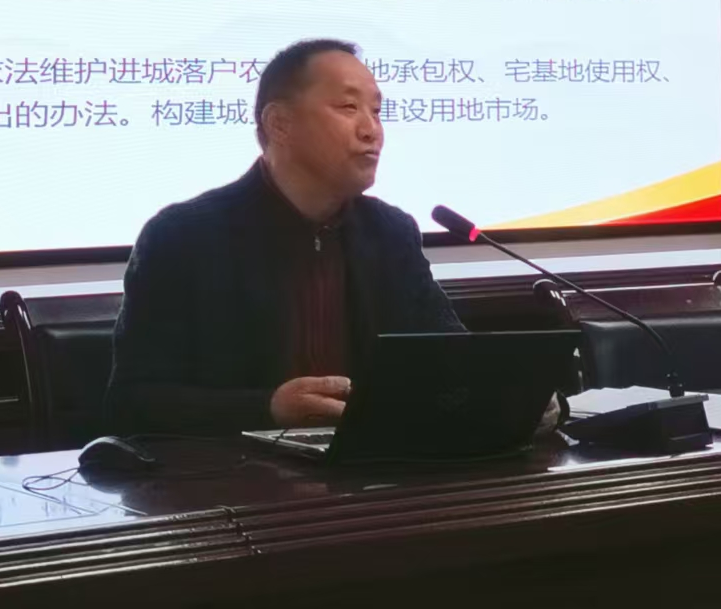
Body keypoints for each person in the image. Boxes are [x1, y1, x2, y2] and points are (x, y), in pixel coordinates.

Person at [106, 38, 463, 434]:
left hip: (375, 462)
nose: (371, 130)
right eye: (348, 107)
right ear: (279, 123)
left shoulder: (390, 233)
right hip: (237, 469)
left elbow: (455, 362)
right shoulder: (183, 236)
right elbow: (133, 403)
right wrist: (266, 409)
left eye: (377, 112)